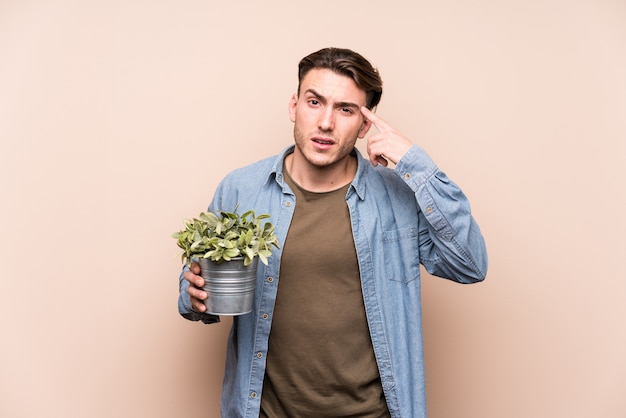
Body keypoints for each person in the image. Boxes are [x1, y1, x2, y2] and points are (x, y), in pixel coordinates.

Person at [178, 47, 488, 418]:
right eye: (314, 102)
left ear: (364, 125)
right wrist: (193, 293)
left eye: (345, 110)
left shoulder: (397, 197)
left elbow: (470, 264)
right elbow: (200, 287)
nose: (326, 122)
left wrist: (415, 164)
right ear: (294, 106)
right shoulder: (242, 189)